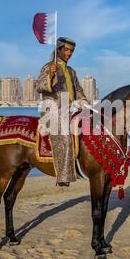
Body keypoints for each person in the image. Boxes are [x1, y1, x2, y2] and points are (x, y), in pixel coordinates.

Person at [36, 37, 89, 187]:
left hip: (71, 107)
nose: (69, 53)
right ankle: (64, 176)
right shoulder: (48, 67)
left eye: (71, 51)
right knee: (65, 135)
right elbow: (39, 87)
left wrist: (83, 101)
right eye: (66, 50)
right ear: (58, 50)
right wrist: (50, 75)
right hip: (53, 109)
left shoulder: (71, 71)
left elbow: (78, 90)